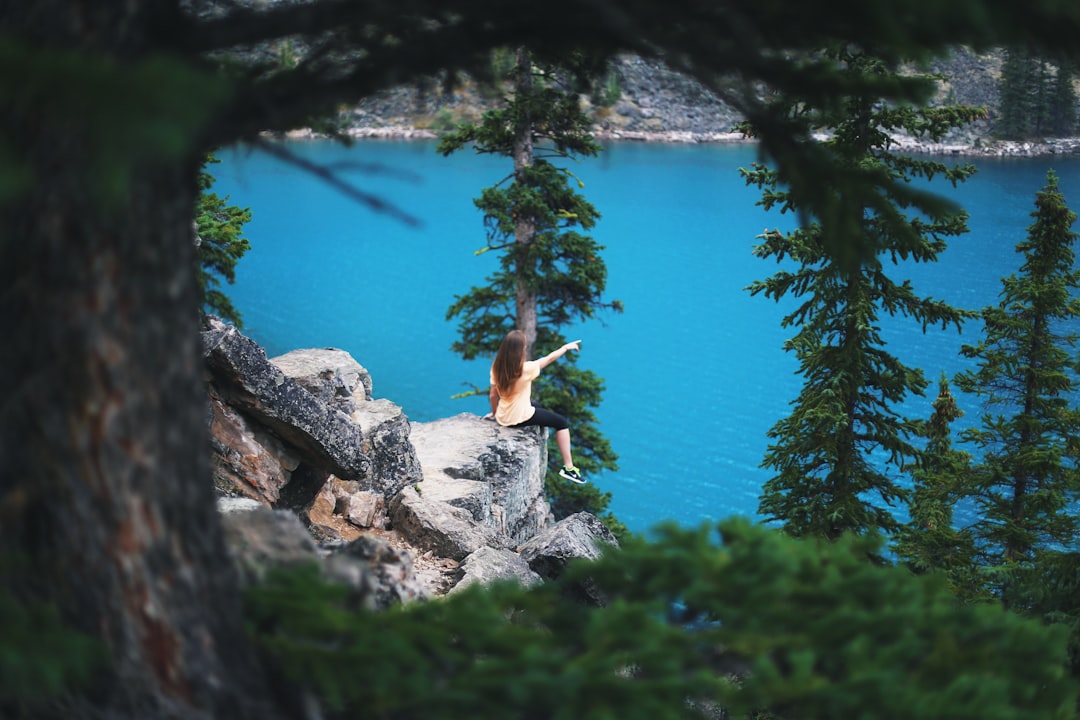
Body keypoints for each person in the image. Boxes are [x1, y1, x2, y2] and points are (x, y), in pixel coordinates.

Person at [486, 329, 586, 484]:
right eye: (524, 346)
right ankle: (569, 468)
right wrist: (565, 348)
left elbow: (493, 395)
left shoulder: (497, 367)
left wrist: (494, 414)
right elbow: (548, 359)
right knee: (561, 423)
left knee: (537, 405)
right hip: (519, 417)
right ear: (520, 350)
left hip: (503, 414)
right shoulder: (525, 369)